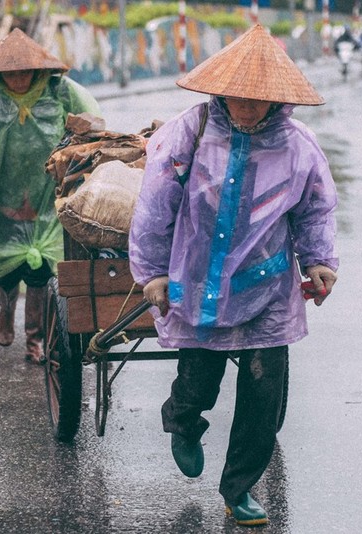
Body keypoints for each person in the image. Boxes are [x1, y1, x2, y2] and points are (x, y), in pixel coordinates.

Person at [128, 25, 339, 526]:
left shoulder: (299, 147)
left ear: (274, 100)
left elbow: (315, 210)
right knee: (199, 381)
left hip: (267, 288)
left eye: (258, 98)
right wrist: (153, 271)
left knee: (263, 396)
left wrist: (319, 261)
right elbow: (156, 204)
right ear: (221, 91)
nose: (246, 106)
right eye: (237, 96)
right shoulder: (190, 130)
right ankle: (182, 420)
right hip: (198, 281)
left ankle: (239, 488)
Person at [0, 28, 101, 363]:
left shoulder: (60, 93)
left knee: (40, 265)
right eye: (11, 73)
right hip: (2, 189)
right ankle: (6, 309)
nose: (19, 79)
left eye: (25, 72)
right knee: (4, 260)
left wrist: (86, 153)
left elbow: (90, 126)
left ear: (38, 70)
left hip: (48, 187)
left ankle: (34, 337)